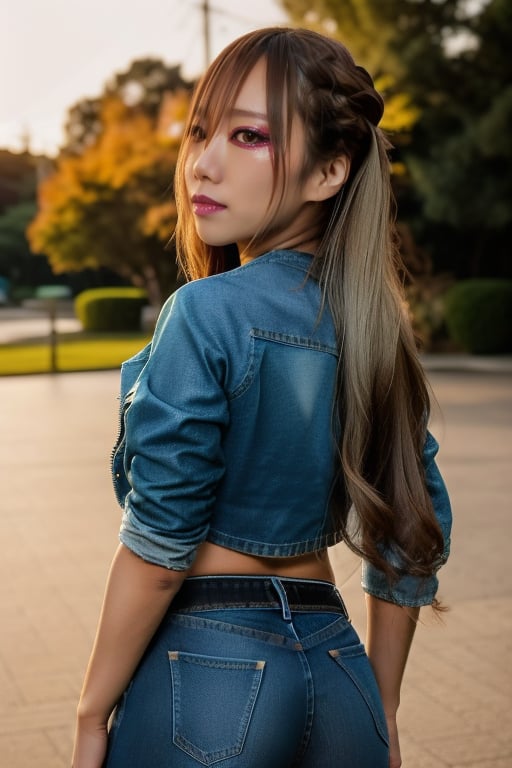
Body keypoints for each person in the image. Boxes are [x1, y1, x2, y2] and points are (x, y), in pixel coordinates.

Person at [72, 27, 451, 768]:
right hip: (341, 673)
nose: (202, 164)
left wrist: (91, 710)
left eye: (249, 137)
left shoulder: (205, 311)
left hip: (206, 670)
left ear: (329, 171)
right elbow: (412, 530)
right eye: (200, 131)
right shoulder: (379, 333)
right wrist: (383, 706)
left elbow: (158, 550)